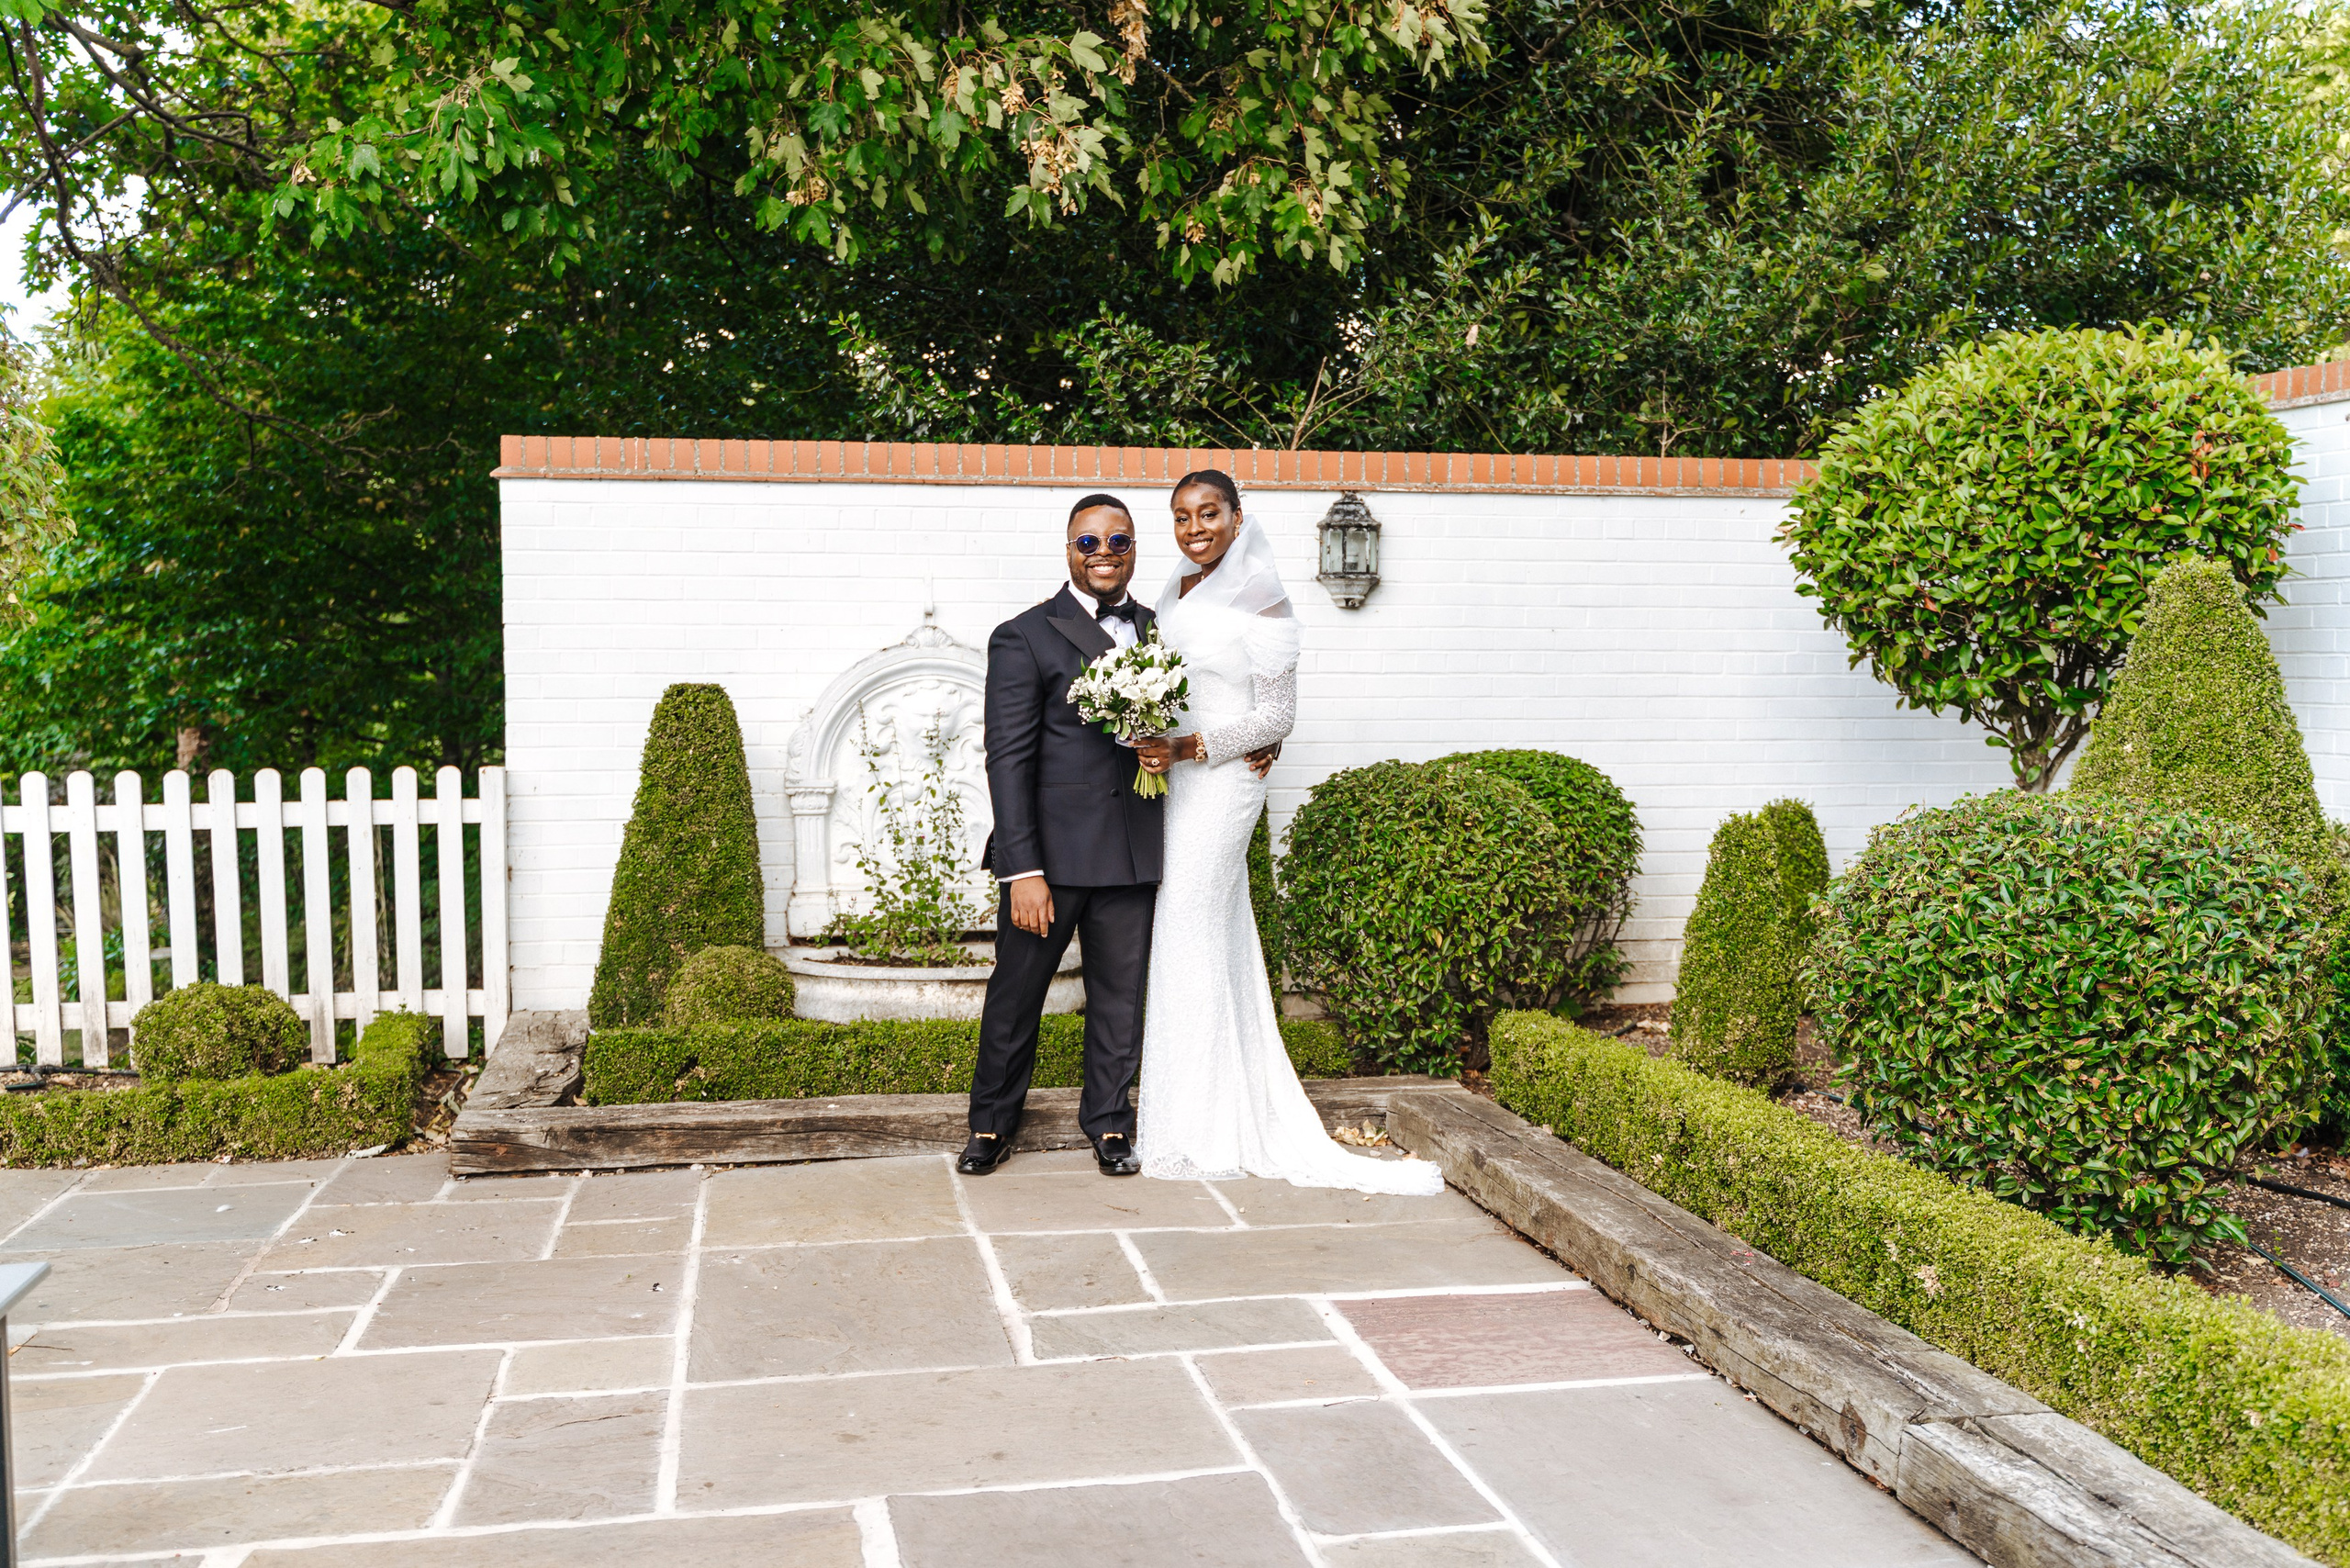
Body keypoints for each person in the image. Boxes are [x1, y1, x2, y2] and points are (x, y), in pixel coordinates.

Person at [1128, 472, 1446, 1194]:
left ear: (1238, 519)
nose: (1195, 527)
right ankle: (1198, 1112)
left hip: (1220, 781)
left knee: (1190, 922)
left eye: (1209, 513)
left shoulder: (1262, 593)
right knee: (1201, 928)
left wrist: (1189, 747)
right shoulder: (1173, 593)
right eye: (1182, 516)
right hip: (1176, 783)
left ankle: (1206, 1127)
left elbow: (1276, 716)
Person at [960, 494, 1275, 1178]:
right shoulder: (1024, 635)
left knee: (1118, 998)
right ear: (1068, 550)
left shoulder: (1164, 632)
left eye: (1119, 543)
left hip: (1134, 849)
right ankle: (990, 1124)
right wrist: (1022, 869)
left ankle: (1108, 1122)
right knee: (1016, 994)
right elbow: (1006, 758)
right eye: (1089, 544)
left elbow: (1217, 698)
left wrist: (1257, 740)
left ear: (1135, 550)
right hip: (1049, 859)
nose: (1104, 555)